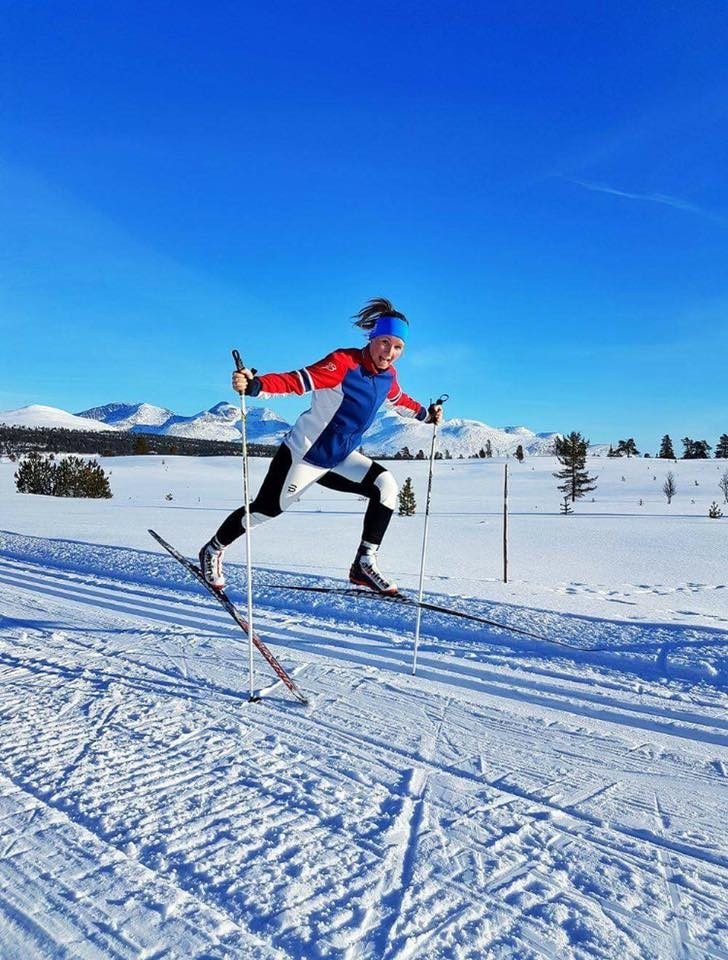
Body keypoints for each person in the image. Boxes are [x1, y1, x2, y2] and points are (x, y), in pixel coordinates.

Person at [198, 297, 443, 595]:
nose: (389, 352)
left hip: (340, 457)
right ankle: (212, 549)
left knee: (385, 486)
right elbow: (296, 381)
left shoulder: (388, 377)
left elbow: (399, 400)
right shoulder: (343, 363)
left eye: (398, 347)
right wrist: (256, 385)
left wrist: (426, 415)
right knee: (264, 511)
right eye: (384, 342)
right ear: (372, 337)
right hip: (304, 455)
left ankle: (364, 563)